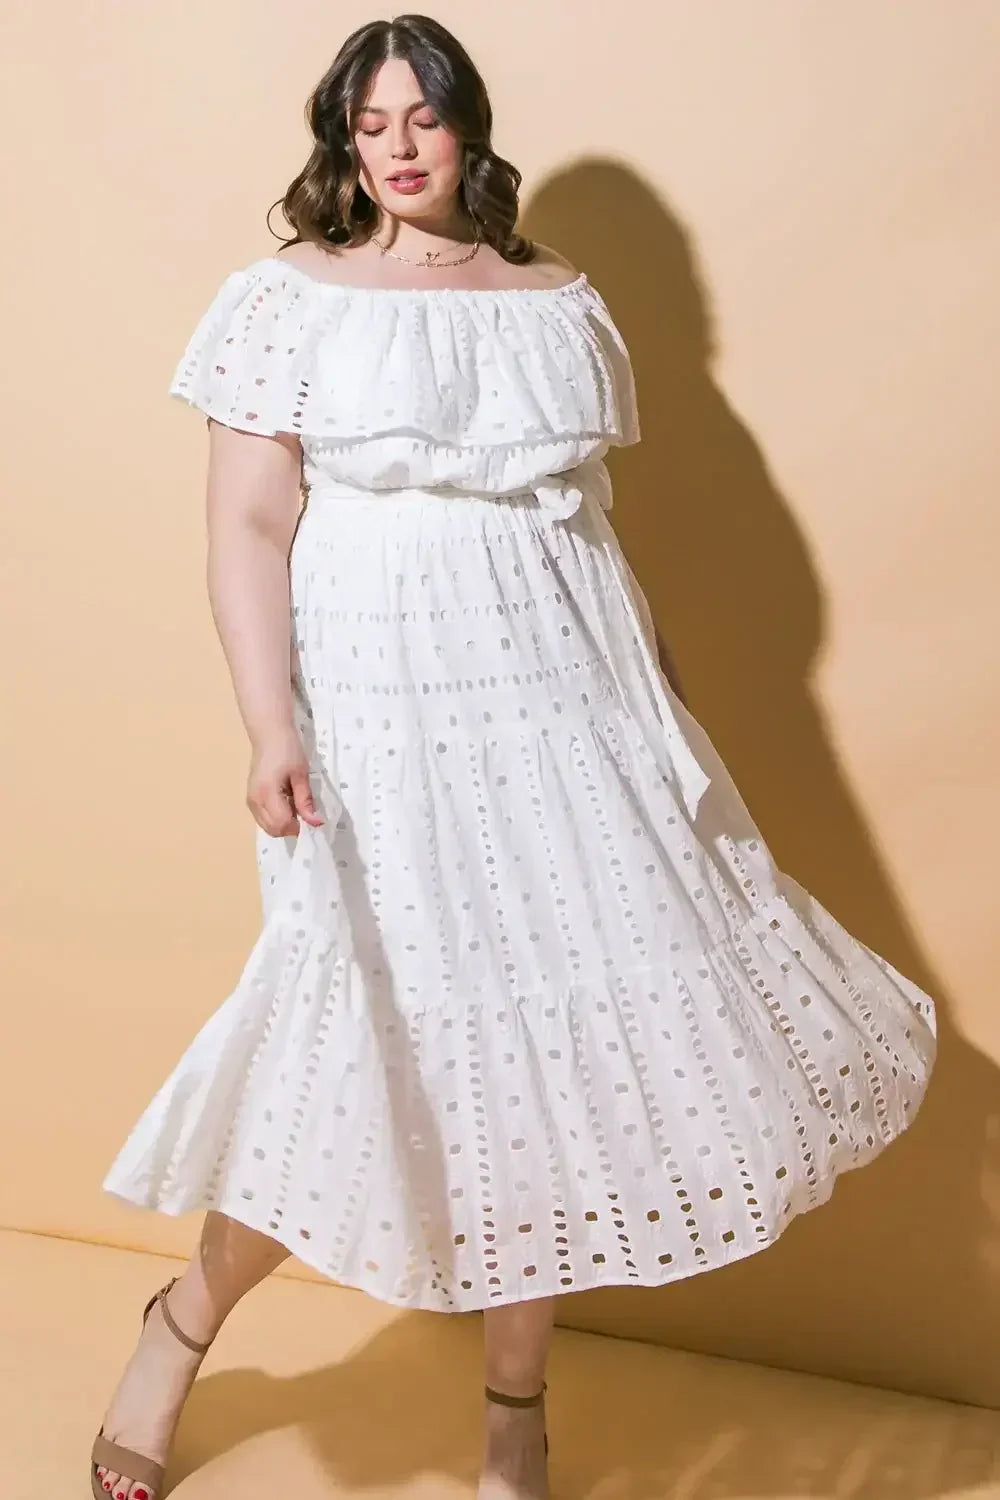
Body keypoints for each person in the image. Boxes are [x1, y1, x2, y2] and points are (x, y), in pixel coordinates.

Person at [91, 14, 937, 1500]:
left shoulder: (556, 301)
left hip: (569, 705)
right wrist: (269, 724)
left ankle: (512, 1409)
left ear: (470, 129)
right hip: (381, 711)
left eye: (425, 116)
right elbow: (246, 523)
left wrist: (661, 724)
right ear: (341, 142)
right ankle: (179, 1327)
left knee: (549, 1061)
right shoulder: (288, 299)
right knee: (347, 1040)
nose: (401, 143)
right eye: (372, 122)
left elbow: (592, 538)